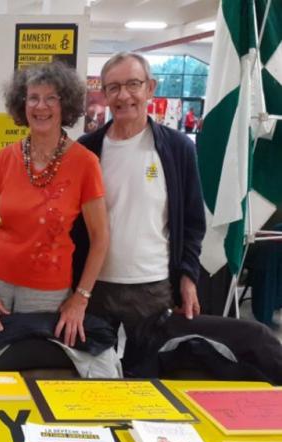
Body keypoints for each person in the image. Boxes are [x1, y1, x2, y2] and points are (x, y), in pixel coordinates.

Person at [0, 62, 109, 349]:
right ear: (22, 104)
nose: (41, 106)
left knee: (35, 372)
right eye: (33, 97)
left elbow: (100, 239)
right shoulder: (3, 159)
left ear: (66, 105)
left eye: (51, 98)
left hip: (49, 295)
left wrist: (81, 299)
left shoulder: (85, 164)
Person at [75, 52, 206, 335]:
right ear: (105, 94)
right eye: (114, 87)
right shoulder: (86, 149)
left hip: (153, 286)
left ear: (151, 88)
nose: (124, 95)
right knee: (92, 372)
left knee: (148, 372)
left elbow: (194, 223)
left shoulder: (178, 149)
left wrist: (188, 276)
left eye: (133, 84)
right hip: (95, 285)